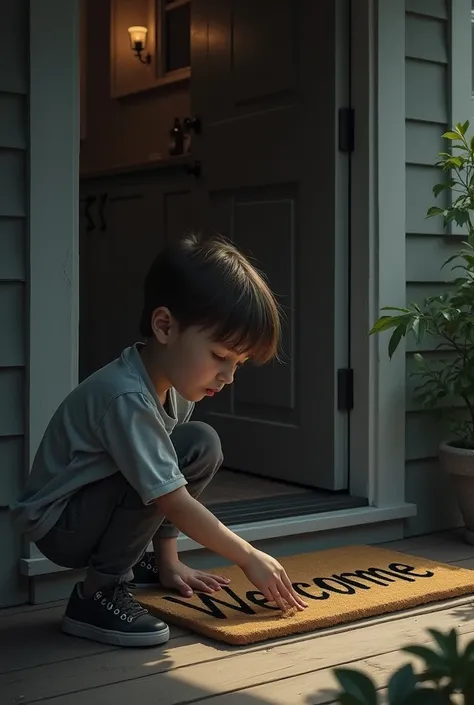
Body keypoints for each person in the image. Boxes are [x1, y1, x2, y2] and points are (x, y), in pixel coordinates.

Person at [12, 234, 307, 648]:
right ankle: (96, 593)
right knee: (157, 480)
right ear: (165, 326)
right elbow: (172, 498)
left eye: (238, 364)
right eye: (220, 356)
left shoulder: (175, 389)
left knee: (200, 444)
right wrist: (248, 556)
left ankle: (153, 564)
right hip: (62, 524)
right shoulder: (126, 397)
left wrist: (170, 562)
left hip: (93, 506)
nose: (229, 376)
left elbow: (168, 477)